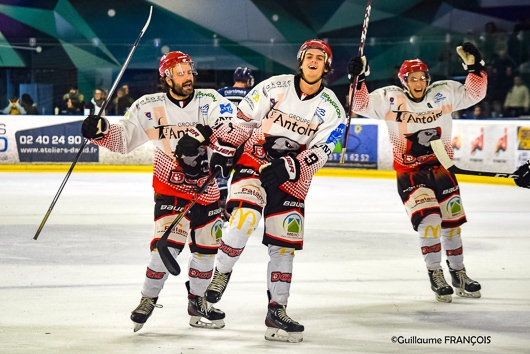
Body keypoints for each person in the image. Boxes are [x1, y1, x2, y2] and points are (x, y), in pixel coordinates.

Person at [80, 51, 236, 332]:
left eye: (189, 71)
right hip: (170, 189)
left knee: (205, 252)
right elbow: (123, 139)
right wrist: (99, 130)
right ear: (166, 77)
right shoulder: (146, 106)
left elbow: (227, 126)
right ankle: (148, 298)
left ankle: (198, 303)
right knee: (162, 251)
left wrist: (203, 137)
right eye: (180, 73)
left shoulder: (210, 99)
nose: (187, 77)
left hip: (207, 191)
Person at [205, 39, 346, 343]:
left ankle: (276, 311)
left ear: (326, 66)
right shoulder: (273, 86)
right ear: (300, 60)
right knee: (244, 218)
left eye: (320, 57)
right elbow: (243, 120)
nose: (313, 60)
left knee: (284, 246)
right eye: (308, 55)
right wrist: (224, 147)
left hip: (293, 176)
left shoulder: (332, 107)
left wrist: (291, 167)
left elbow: (324, 149)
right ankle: (221, 273)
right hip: (255, 160)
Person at [348, 42, 487, 303]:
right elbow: (361, 104)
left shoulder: (443, 92)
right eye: (413, 78)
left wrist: (475, 67)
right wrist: (358, 78)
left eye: (422, 77)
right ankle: (435, 273)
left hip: (443, 168)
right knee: (430, 221)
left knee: (453, 226)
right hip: (410, 173)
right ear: (404, 81)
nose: (419, 82)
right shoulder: (390, 98)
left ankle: (459, 273)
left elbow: (474, 94)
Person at [216, 67, 255, 223]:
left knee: (220, 175)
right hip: (244, 141)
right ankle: (234, 209)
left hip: (223, 139)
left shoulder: (221, 92)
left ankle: (218, 207)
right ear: (247, 79)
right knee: (241, 175)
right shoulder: (252, 95)